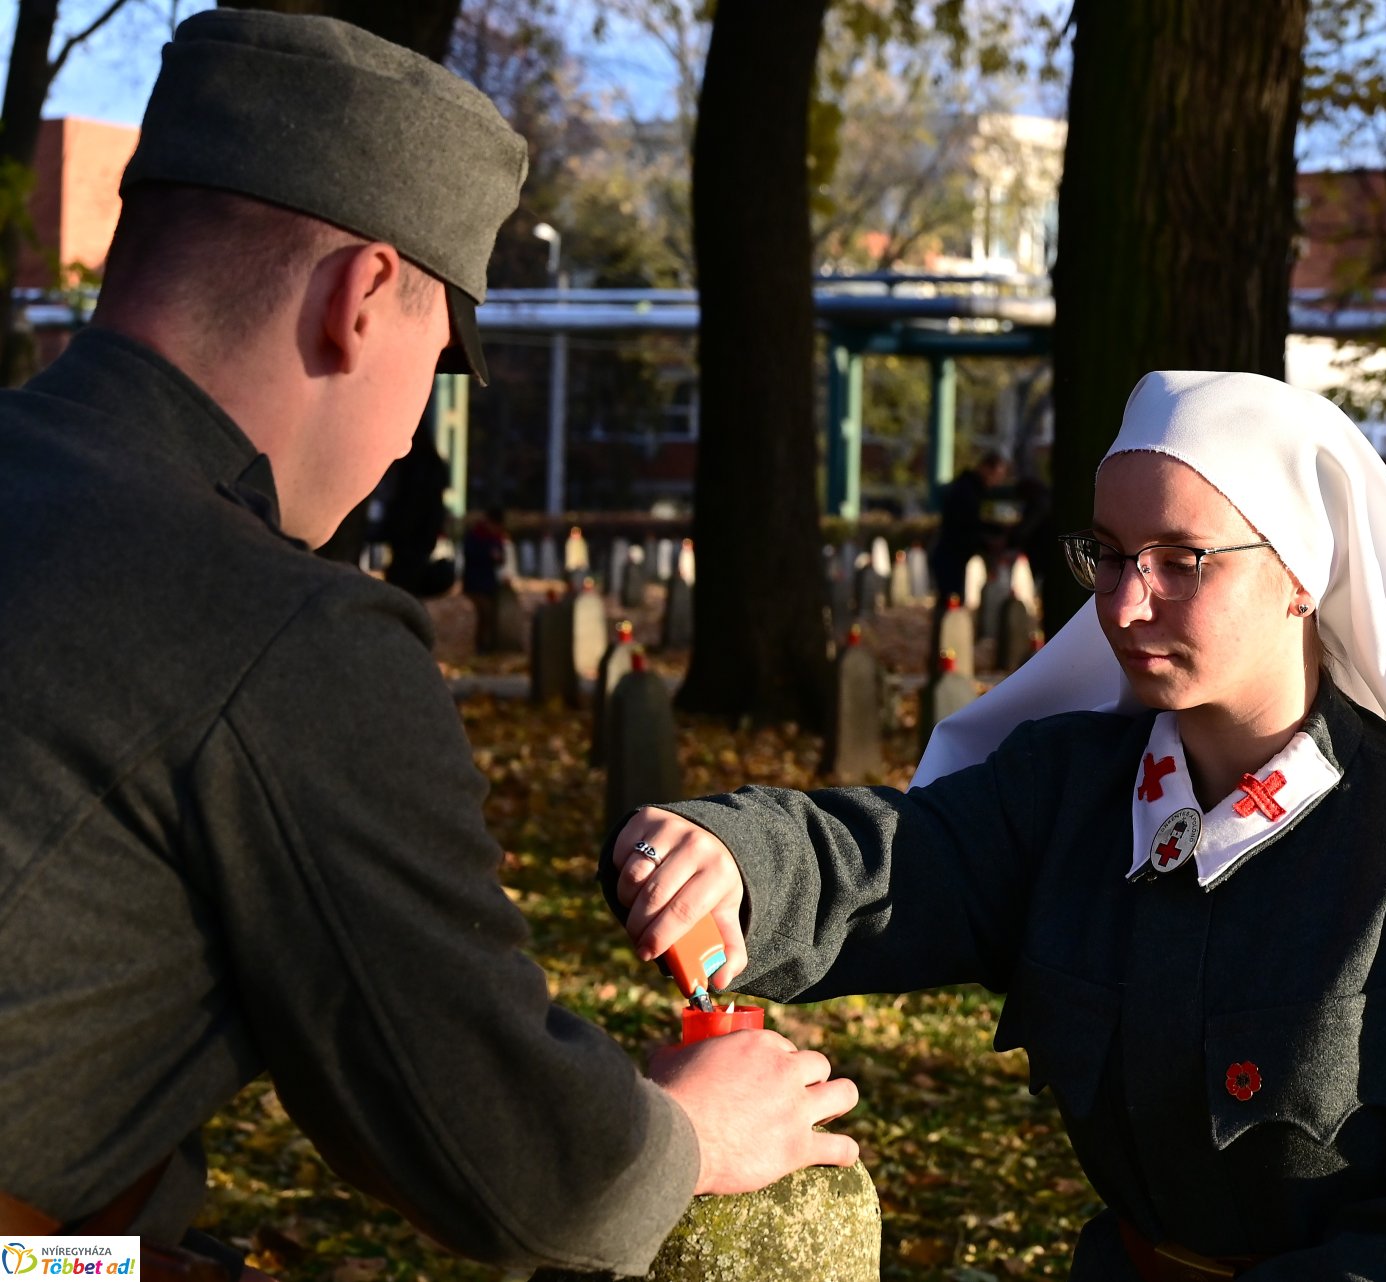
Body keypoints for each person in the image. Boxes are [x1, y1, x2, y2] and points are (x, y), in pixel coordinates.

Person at [0, 12, 854, 1280]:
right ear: (360, 300)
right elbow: (523, 1173)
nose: (409, 436)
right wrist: (691, 1128)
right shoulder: (283, 631)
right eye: (442, 359)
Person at [605, 371, 1386, 1280]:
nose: (1122, 600)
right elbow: (891, 864)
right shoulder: (1064, 798)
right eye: (1108, 554)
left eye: (1179, 558)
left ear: (1301, 574)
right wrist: (735, 859)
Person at [929, 449, 1011, 600]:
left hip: (952, 555)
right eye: (996, 476)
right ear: (985, 468)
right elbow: (966, 525)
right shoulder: (967, 490)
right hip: (952, 557)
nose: (997, 482)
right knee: (951, 601)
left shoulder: (968, 488)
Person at [462, 507, 510, 652]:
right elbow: (470, 555)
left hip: (489, 583)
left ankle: (490, 645)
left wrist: (498, 558)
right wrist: (488, 555)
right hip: (475, 583)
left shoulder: (496, 538)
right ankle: (481, 646)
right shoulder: (476, 535)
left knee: (493, 614)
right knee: (484, 613)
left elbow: (501, 558)